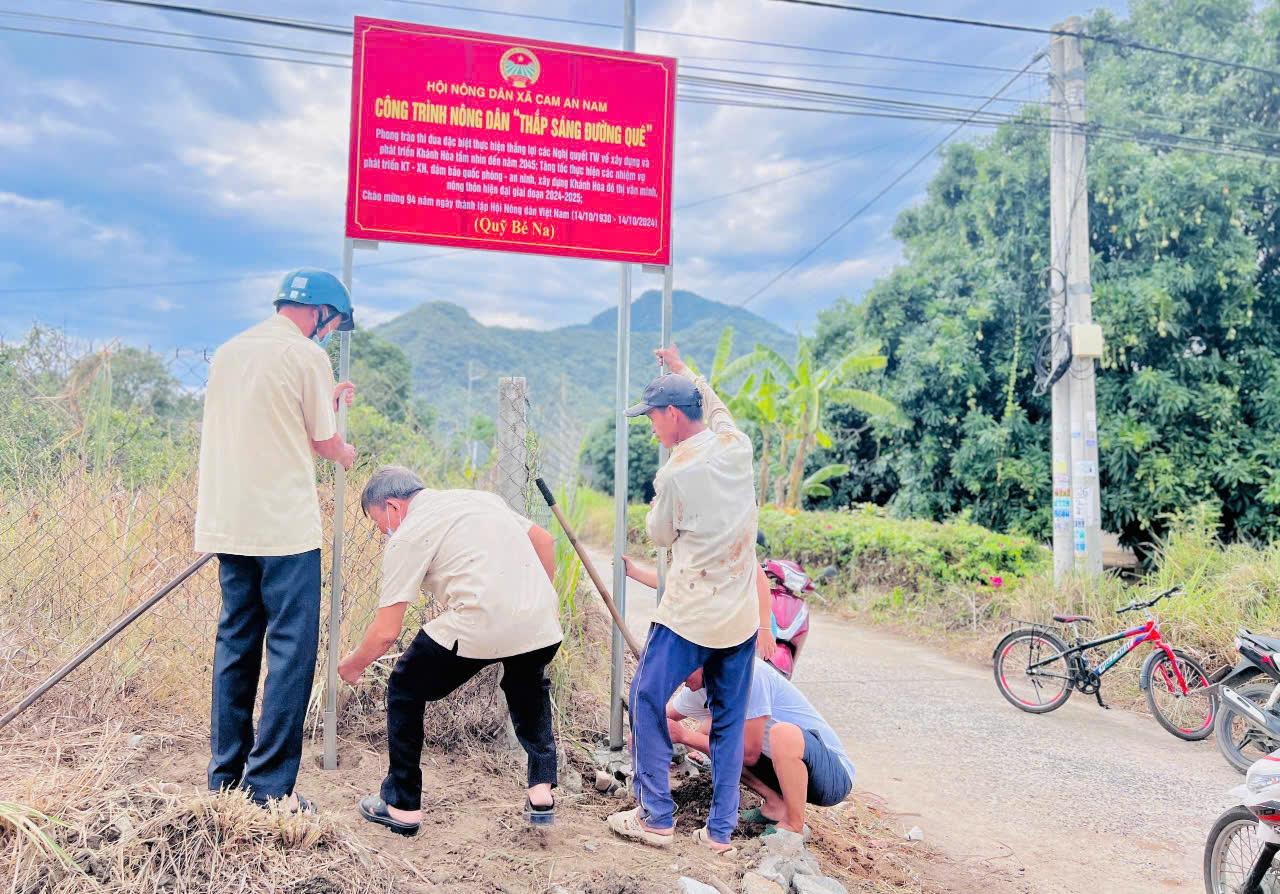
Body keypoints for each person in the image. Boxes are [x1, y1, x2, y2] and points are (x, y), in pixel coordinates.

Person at [196, 268, 357, 813]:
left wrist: (323, 400)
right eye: (332, 322)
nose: (330, 331)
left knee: (236, 644)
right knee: (291, 651)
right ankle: (267, 790)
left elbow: (271, 414)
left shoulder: (230, 351)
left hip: (229, 521)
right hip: (284, 528)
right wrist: (343, 451)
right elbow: (321, 440)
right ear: (320, 314)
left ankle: (224, 779)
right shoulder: (307, 355)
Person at [608, 343, 776, 855]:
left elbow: (660, 535)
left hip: (690, 614)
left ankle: (656, 816)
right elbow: (718, 405)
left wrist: (656, 507)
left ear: (673, 415)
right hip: (740, 617)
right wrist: (685, 370)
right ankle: (719, 833)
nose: (651, 426)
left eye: (653, 418)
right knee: (727, 720)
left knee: (644, 697)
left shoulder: (676, 473)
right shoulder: (737, 445)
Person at [338, 465, 564, 836]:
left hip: (480, 621)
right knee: (527, 683)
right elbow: (543, 539)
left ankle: (402, 805)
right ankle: (541, 789)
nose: (383, 533)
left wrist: (354, 664)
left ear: (392, 507)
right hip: (541, 621)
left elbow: (385, 633)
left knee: (405, 688)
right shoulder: (478, 499)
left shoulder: (408, 534)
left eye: (379, 523)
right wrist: (532, 605)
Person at [667, 660, 855, 837]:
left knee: (782, 733)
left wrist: (685, 736)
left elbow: (748, 752)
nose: (677, 677)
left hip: (831, 776)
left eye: (682, 666)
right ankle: (775, 806)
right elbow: (656, 713)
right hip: (778, 768)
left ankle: (793, 825)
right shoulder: (699, 687)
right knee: (716, 729)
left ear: (700, 658)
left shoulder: (749, 675)